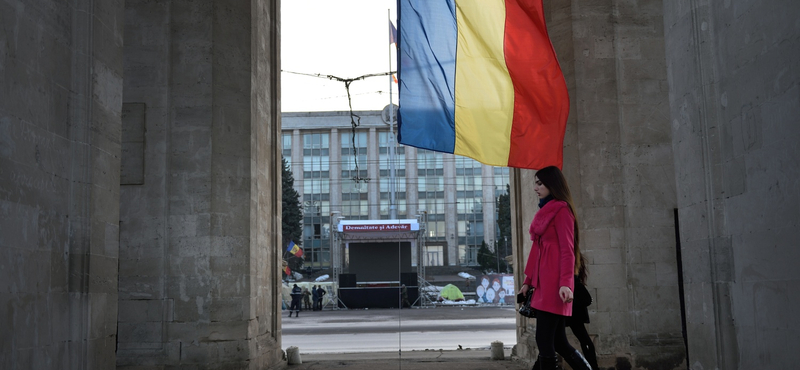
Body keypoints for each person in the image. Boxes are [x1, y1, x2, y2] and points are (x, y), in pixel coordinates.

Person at [519, 166, 592, 370]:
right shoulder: (545, 212)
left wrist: (566, 284)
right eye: (535, 183)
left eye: (540, 183)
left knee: (544, 341)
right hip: (543, 286)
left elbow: (568, 251)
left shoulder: (561, 210)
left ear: (553, 185)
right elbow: (536, 252)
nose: (535, 188)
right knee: (559, 342)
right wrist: (527, 282)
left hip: (555, 287)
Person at [566, 255, 599, 370]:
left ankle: (591, 367)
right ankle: (593, 367)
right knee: (584, 340)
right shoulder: (575, 257)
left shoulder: (570, 257)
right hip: (574, 309)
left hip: (570, 307)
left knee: (552, 340)